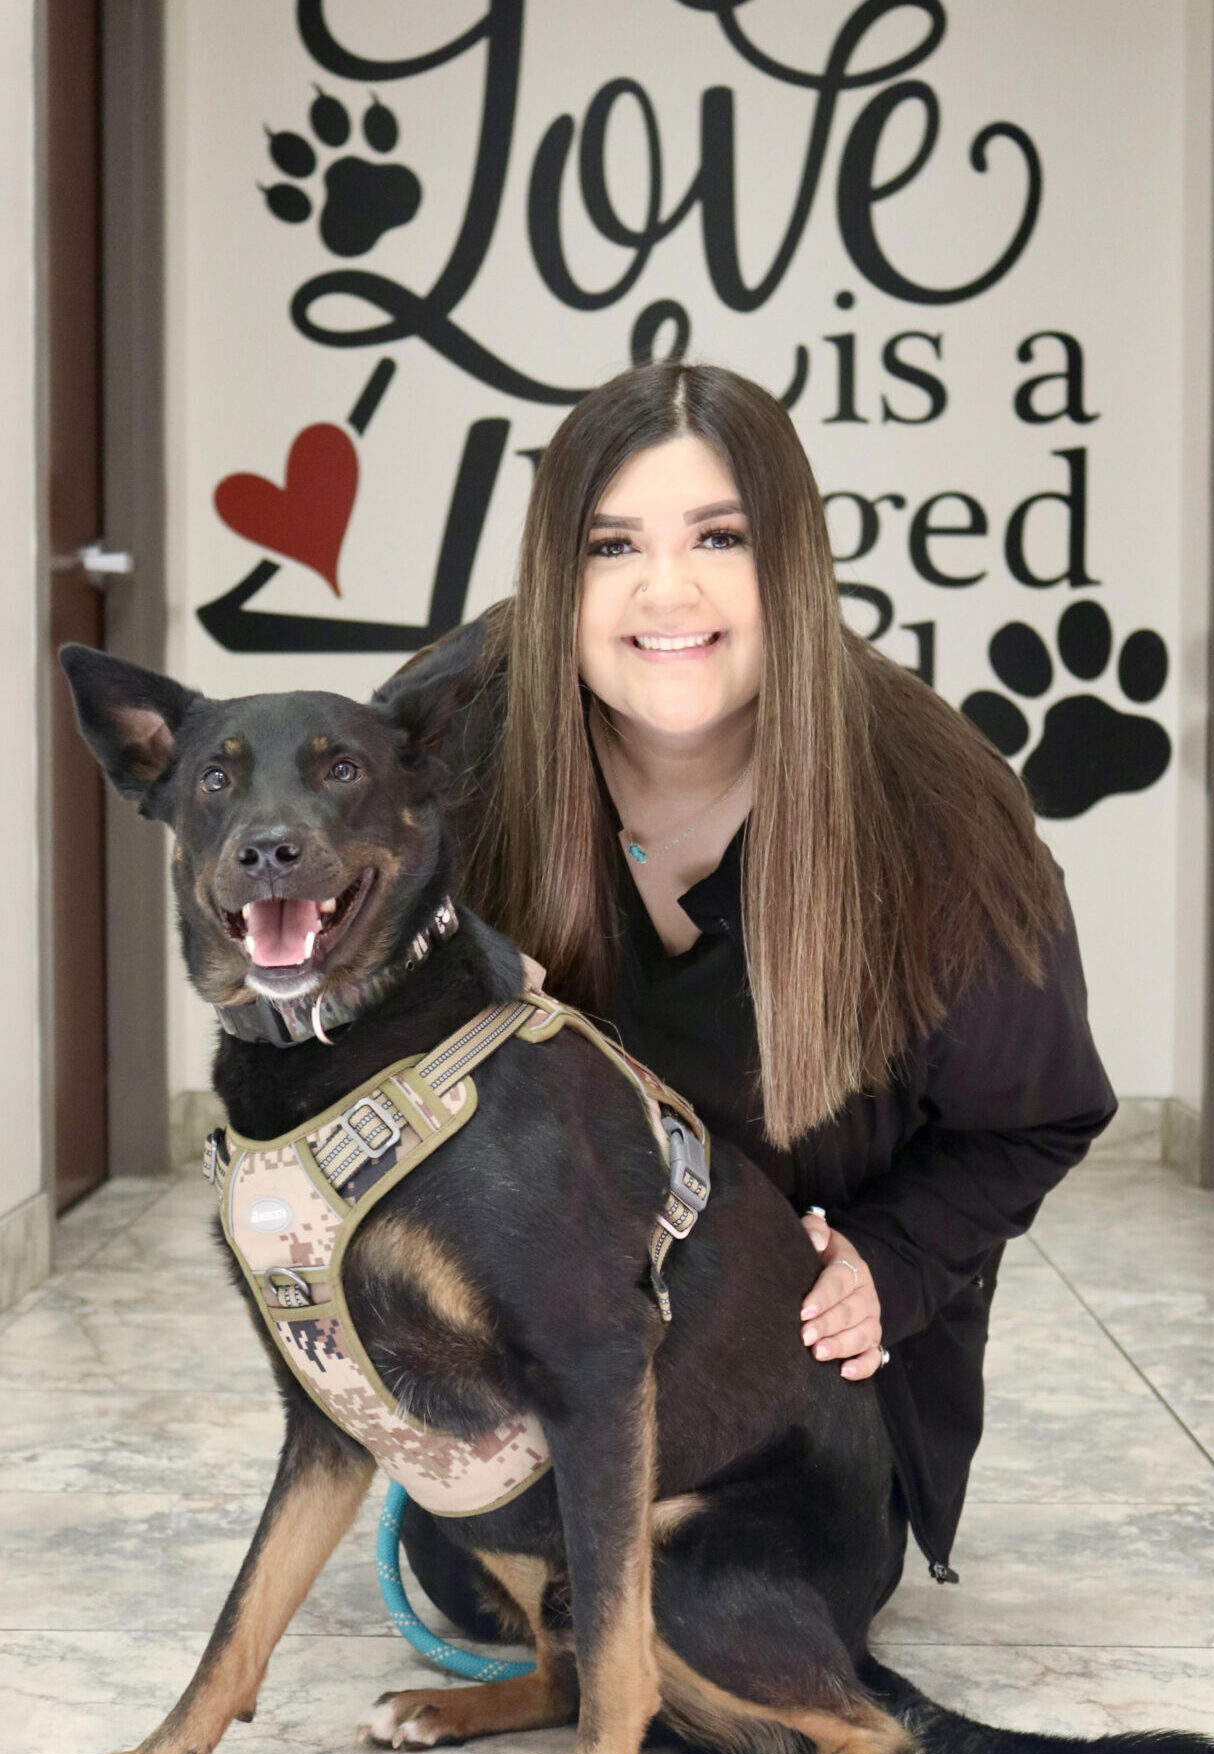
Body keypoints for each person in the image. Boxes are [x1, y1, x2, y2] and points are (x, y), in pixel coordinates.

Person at [389, 361, 1116, 1622]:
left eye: (718, 536)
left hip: (793, 1409)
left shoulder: (936, 808)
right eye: (613, 544)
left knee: (746, 1630)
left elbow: (1036, 1114)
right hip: (545, 1357)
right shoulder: (448, 746)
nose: (666, 590)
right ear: (557, 579)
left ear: (791, 560)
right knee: (485, 1596)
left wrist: (887, 1263)